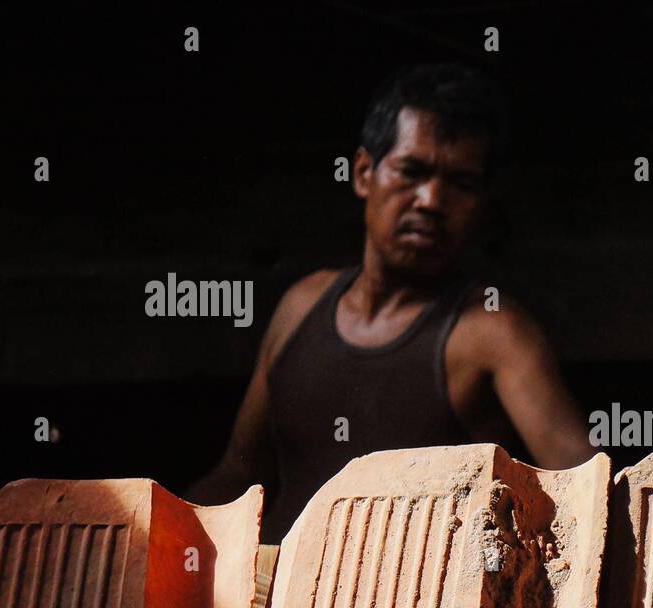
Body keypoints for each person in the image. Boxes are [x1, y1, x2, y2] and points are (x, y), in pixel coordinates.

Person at [186, 63, 594, 542]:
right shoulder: (301, 306)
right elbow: (240, 475)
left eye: (460, 184)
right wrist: (156, 529)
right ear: (363, 173)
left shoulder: (492, 333)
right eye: (412, 171)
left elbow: (588, 495)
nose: (431, 201)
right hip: (271, 605)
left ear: (482, 202)